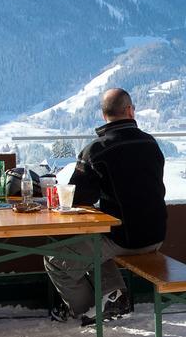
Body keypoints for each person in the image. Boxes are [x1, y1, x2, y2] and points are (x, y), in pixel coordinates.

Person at [45, 88, 166, 324]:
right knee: (96, 245)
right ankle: (113, 296)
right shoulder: (150, 143)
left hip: (124, 239)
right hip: (157, 234)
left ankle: (88, 309)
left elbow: (79, 196)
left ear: (103, 116)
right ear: (130, 111)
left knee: (53, 261)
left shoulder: (95, 150)